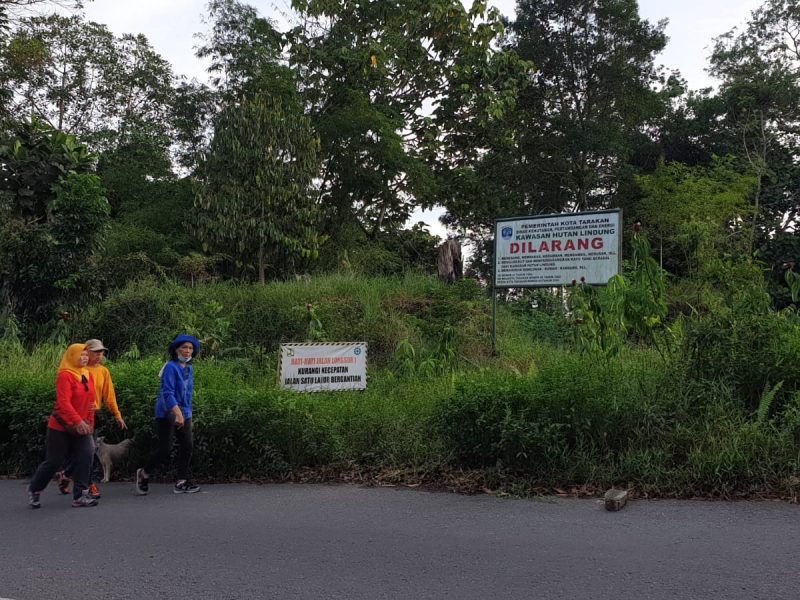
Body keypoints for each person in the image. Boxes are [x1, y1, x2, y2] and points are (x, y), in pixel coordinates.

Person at [27, 343, 98, 508]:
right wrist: (78, 421)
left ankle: (81, 495)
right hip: (61, 426)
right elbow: (63, 403)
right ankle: (35, 489)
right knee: (54, 461)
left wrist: (89, 423)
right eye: (81, 354)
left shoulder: (88, 374)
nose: (84, 357)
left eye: (86, 355)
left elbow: (90, 402)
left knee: (86, 455)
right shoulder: (65, 376)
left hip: (81, 426)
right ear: (72, 356)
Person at [56, 338, 127, 499]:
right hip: (75, 415)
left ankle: (67, 475)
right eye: (95, 352)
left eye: (101, 352)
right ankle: (86, 484)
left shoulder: (103, 371)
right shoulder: (75, 370)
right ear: (85, 352)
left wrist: (117, 415)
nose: (99, 355)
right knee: (86, 451)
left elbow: (109, 396)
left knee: (87, 450)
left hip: (93, 414)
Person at [135, 334, 201, 495]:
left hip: (184, 411)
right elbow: (168, 393)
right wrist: (177, 413)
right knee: (165, 449)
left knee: (187, 446)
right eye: (184, 347)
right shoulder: (170, 367)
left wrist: (187, 414)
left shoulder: (189, 368)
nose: (187, 351)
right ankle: (144, 473)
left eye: (190, 348)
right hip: (167, 411)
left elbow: (189, 392)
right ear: (176, 349)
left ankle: (181, 481)